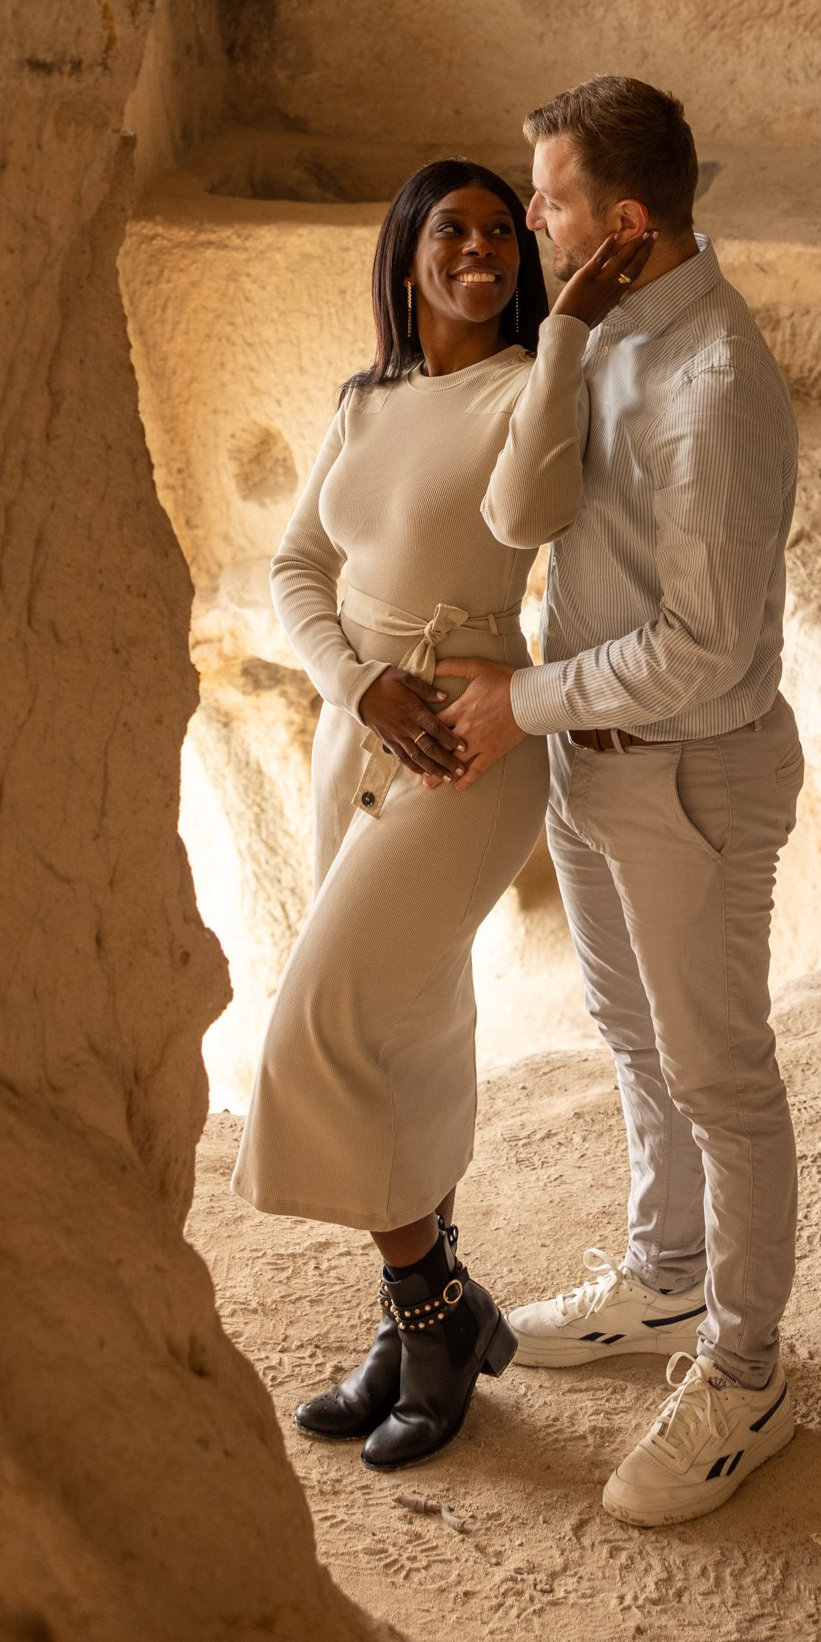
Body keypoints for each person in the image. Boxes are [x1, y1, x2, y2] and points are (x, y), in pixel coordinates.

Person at [435, 77, 804, 1527]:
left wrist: (518, 702)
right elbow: (520, 519)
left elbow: (706, 649)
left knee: (722, 1081)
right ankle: (665, 1282)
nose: (529, 218)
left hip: (689, 776)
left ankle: (748, 1369)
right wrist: (567, 331)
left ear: (627, 220)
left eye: (554, 199)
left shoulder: (711, 387)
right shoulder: (611, 336)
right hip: (601, 766)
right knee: (633, 1039)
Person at [232, 156, 635, 1468]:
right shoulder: (366, 401)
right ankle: (427, 1325)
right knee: (407, 1024)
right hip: (362, 727)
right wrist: (356, 685)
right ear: (407, 252)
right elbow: (298, 566)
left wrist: (567, 330)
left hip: (464, 741)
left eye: (500, 234)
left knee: (320, 1023)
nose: (481, 251)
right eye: (449, 231)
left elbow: (528, 514)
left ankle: (433, 1314)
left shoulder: (530, 389)